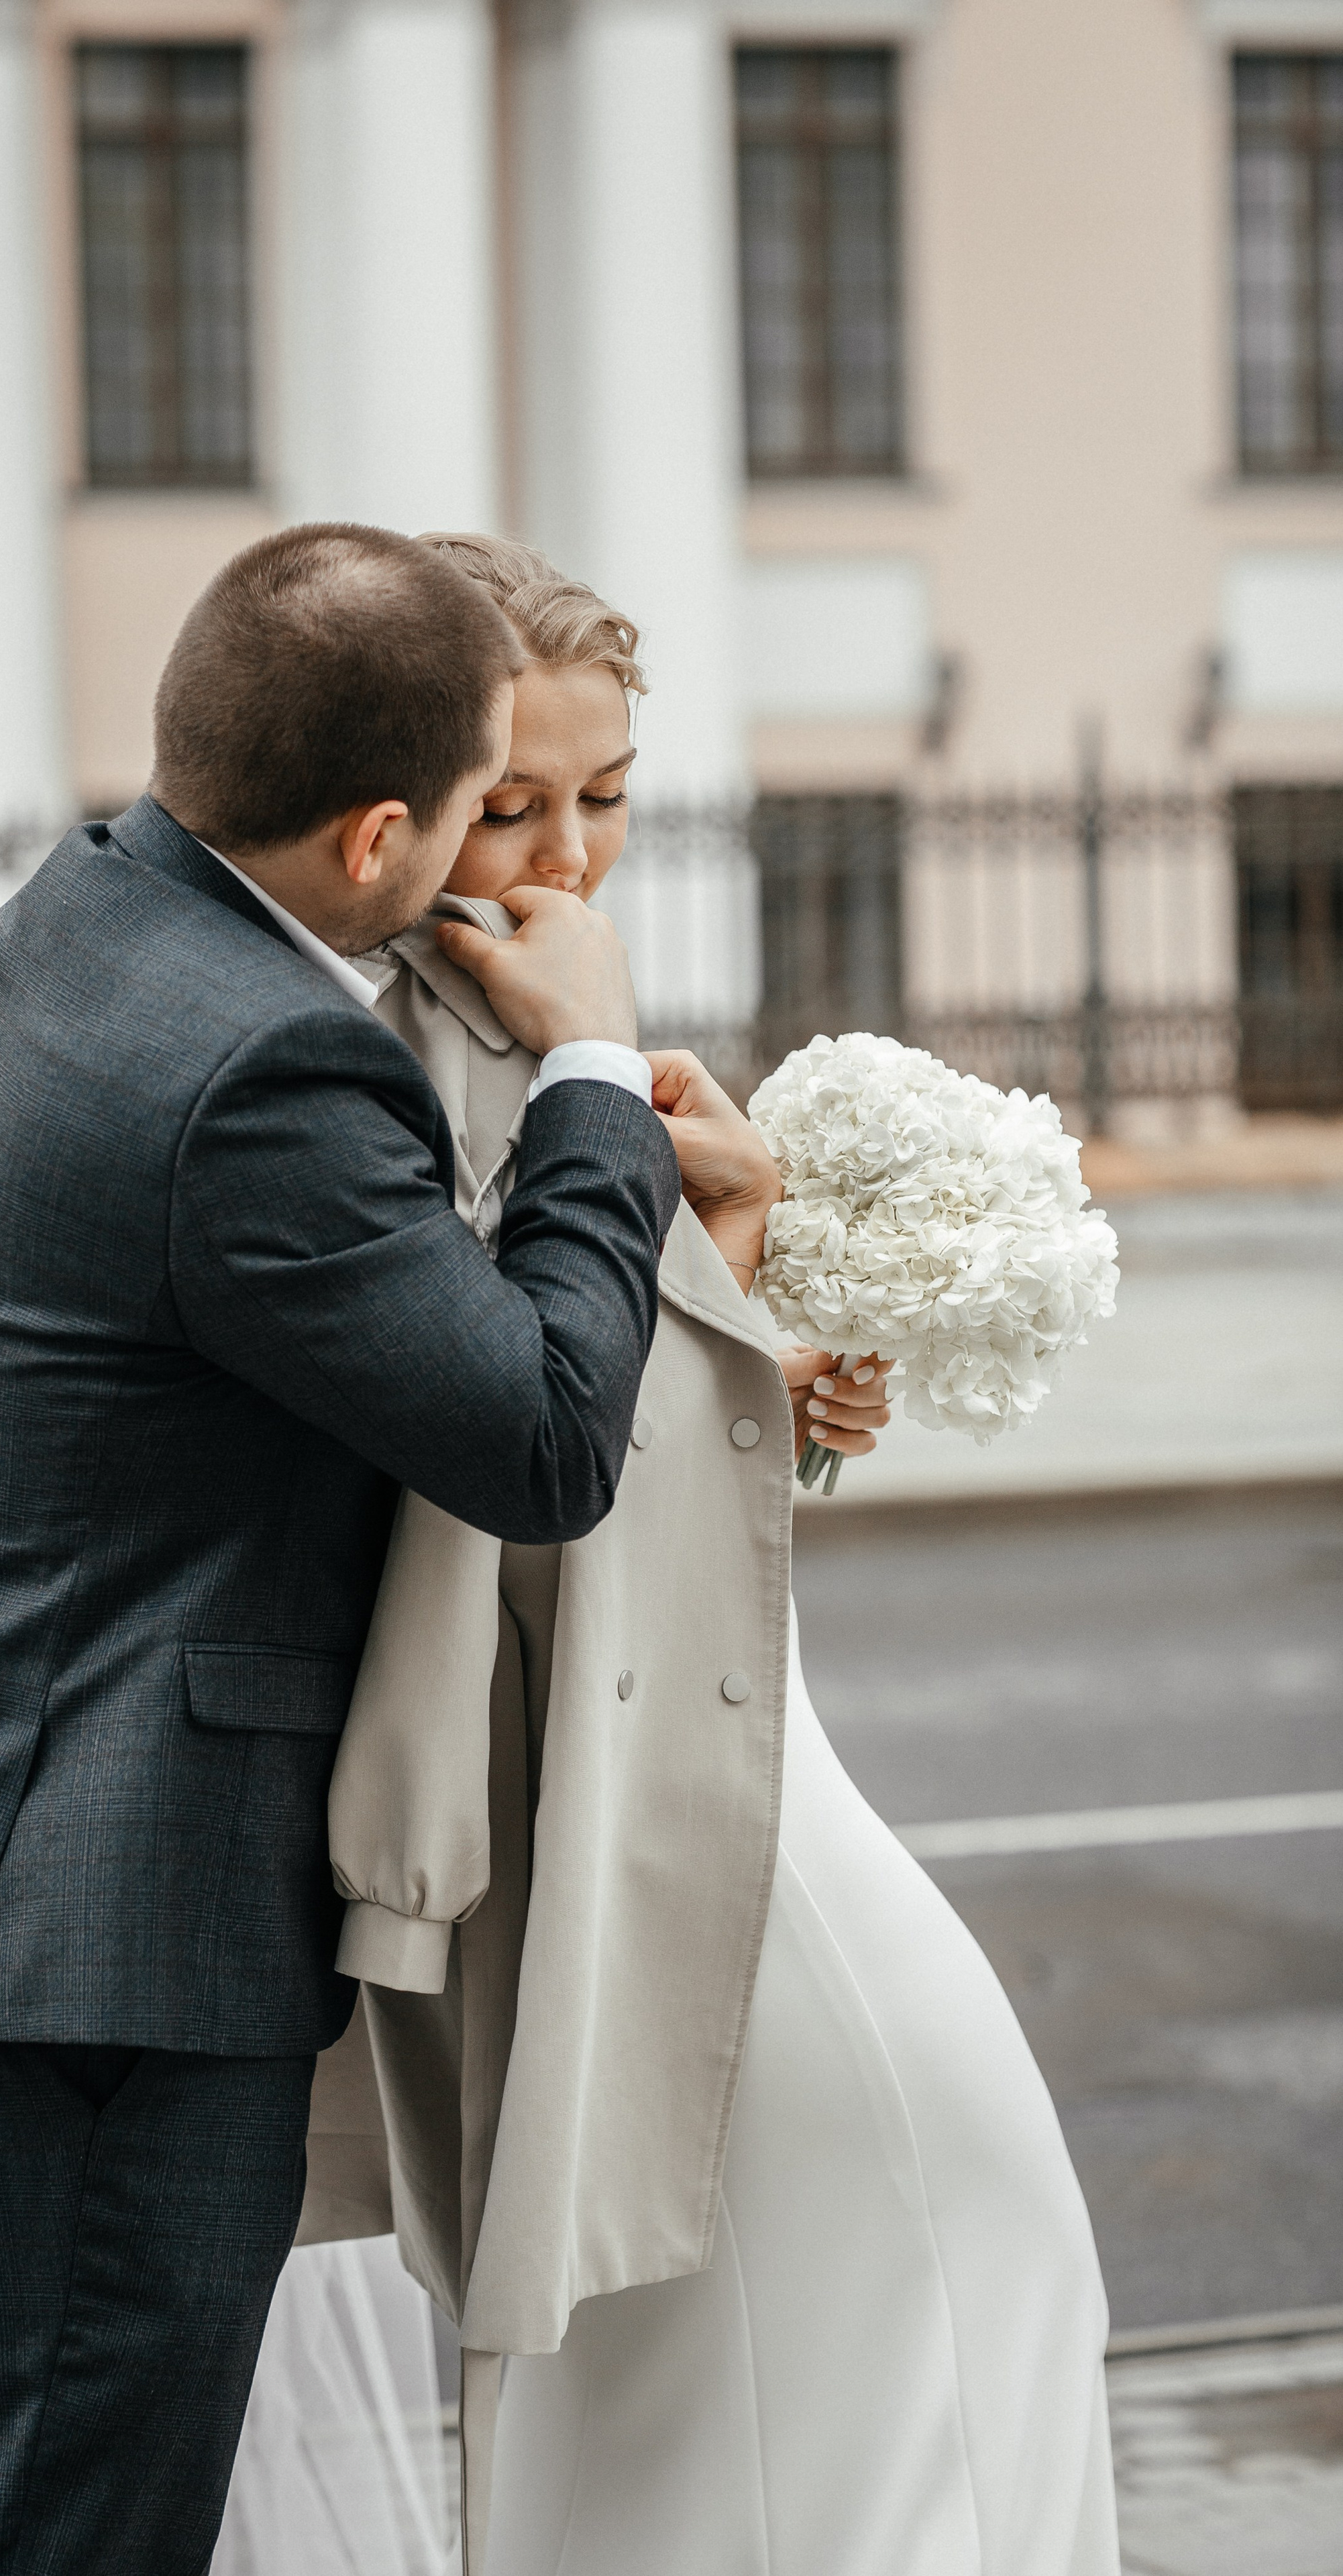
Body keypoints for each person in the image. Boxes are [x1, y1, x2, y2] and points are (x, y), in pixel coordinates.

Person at [0, 523, 709, 2576]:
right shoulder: (267, 1074)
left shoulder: (72, 922)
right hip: (90, 1956)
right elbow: (545, 1434)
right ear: (381, 835)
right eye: (488, 805)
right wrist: (591, 1065)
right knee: (69, 2533)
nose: (528, 862)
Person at [295, 535, 1120, 2576]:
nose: (571, 853)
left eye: (608, 793)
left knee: (790, 2305)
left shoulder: (553, 1000)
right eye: (517, 802)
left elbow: (676, 1398)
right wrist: (733, 1267)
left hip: (720, 1733)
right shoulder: (406, 1049)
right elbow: (518, 1457)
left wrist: (794, 1364)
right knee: (944, 2230)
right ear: (408, 795)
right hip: (632, 1778)